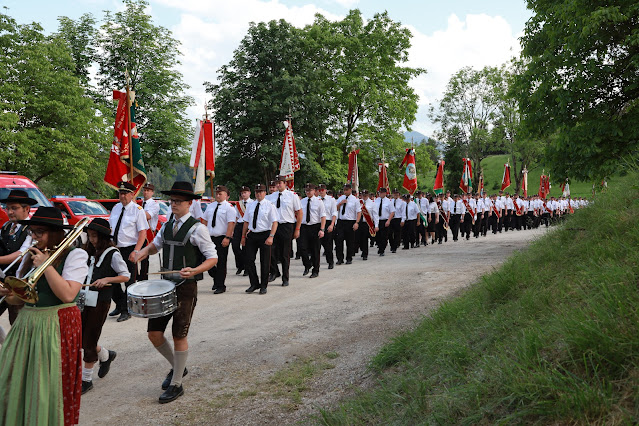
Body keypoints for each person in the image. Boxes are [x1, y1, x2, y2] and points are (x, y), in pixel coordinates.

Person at [0, 206, 88, 425]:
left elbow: (68, 294)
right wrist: (8, 293)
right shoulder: (30, 256)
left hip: (55, 324)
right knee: (15, 378)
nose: (35, 236)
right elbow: (19, 300)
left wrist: (46, 266)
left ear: (55, 232)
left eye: (40, 232)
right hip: (28, 323)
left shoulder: (76, 255)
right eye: (33, 232)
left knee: (48, 383)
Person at [134, 181, 218, 404]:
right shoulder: (167, 223)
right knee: (154, 333)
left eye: (178, 201)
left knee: (179, 334)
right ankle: (178, 367)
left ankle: (177, 384)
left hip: (186, 288)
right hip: (164, 286)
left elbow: (212, 257)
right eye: (172, 201)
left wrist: (195, 270)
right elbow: (156, 245)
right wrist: (142, 252)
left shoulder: (197, 228)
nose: (174, 205)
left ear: (189, 203)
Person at [80, 218, 129, 394]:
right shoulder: (88, 251)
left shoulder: (112, 253)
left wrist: (107, 279)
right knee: (79, 336)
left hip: (100, 301)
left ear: (103, 237)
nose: (92, 240)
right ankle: (105, 355)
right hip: (83, 297)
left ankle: (86, 380)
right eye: (90, 236)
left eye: (95, 236)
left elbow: (125, 276)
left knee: (90, 338)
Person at [108, 181, 148, 322]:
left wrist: (136, 251)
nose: (122, 196)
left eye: (125, 193)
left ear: (132, 195)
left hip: (130, 249)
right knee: (112, 279)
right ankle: (119, 305)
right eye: (120, 193)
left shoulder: (138, 210)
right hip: (115, 249)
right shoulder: (115, 208)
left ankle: (126, 310)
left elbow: (143, 233)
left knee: (129, 281)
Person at [0, 189, 36, 324]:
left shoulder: (32, 228)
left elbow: (22, 255)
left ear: (27, 209)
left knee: (16, 320)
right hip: (3, 278)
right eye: (7, 208)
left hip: (19, 281)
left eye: (14, 208)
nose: (9, 212)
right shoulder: (6, 226)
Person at [241, 184, 278, 294]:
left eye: (261, 191)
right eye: (257, 192)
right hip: (252, 235)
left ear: (265, 193)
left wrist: (271, 236)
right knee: (249, 259)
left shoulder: (270, 205)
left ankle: (263, 285)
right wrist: (243, 236)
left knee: (265, 261)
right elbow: (246, 222)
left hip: (265, 235)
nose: (258, 194)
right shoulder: (251, 205)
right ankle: (254, 283)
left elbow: (275, 222)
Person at [268, 176, 302, 287]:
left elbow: (299, 212)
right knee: (270, 251)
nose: (278, 185)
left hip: (287, 226)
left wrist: (297, 228)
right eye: (276, 183)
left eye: (280, 183)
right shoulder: (270, 197)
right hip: (274, 226)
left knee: (284, 254)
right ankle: (274, 272)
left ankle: (285, 277)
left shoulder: (292, 196)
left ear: (285, 183)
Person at [202, 185, 235, 294]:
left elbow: (231, 224)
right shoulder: (210, 206)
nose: (218, 195)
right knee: (205, 259)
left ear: (226, 195)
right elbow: (204, 220)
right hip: (210, 237)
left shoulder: (229, 208)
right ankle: (217, 278)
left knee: (221, 262)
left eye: (220, 193)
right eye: (217, 193)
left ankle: (221, 285)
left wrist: (227, 237)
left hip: (222, 237)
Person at [298, 184, 326, 278]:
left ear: (314, 191)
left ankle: (315, 270)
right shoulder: (302, 201)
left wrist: (322, 229)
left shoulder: (319, 202)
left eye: (310, 190)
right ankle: (307, 264)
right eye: (306, 190)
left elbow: (323, 216)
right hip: (304, 227)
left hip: (315, 226)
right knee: (302, 248)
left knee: (315, 250)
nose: (308, 192)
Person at [335, 183, 361, 265]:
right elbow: (335, 209)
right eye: (344, 190)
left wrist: (357, 222)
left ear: (350, 190)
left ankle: (349, 258)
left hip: (350, 222)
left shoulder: (355, 200)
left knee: (350, 241)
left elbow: (358, 212)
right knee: (339, 241)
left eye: (347, 190)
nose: (345, 191)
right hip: (341, 221)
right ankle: (340, 258)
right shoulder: (340, 198)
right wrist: (340, 203)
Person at [140, 182, 160, 281]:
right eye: (144, 190)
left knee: (144, 258)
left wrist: (137, 208)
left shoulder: (154, 205)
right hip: (138, 232)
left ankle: (143, 278)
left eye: (148, 191)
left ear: (152, 192)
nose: (146, 192)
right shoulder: (139, 203)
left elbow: (147, 216)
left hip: (148, 233)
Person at [232, 186, 252, 276]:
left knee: (246, 248)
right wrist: (232, 229)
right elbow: (236, 217)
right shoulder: (238, 204)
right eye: (242, 193)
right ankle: (240, 265)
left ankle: (247, 268)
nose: (244, 194)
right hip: (239, 225)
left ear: (249, 193)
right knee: (235, 247)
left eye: (245, 192)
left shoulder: (253, 203)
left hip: (248, 226)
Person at [317, 184, 337, 269]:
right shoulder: (316, 199)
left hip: (328, 222)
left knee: (327, 245)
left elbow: (334, 213)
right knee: (316, 245)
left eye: (322, 190)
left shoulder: (331, 200)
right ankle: (315, 264)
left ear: (326, 190)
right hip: (318, 222)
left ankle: (330, 262)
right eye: (319, 190)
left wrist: (332, 224)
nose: (321, 191)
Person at [373, 187, 395, 256]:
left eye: (382, 192)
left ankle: (382, 250)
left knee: (384, 236)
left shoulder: (389, 201)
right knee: (377, 236)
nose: (380, 194)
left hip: (385, 220)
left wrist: (388, 221)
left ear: (385, 193)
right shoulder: (376, 201)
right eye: (379, 192)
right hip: (377, 220)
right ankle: (380, 246)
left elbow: (392, 212)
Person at [357, 190, 376, 260]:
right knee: (358, 239)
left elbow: (375, 214)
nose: (364, 197)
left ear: (368, 195)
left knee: (364, 239)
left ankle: (365, 254)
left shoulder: (372, 203)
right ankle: (362, 249)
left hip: (367, 223)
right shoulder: (359, 202)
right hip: (359, 222)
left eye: (365, 195)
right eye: (363, 195)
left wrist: (376, 225)